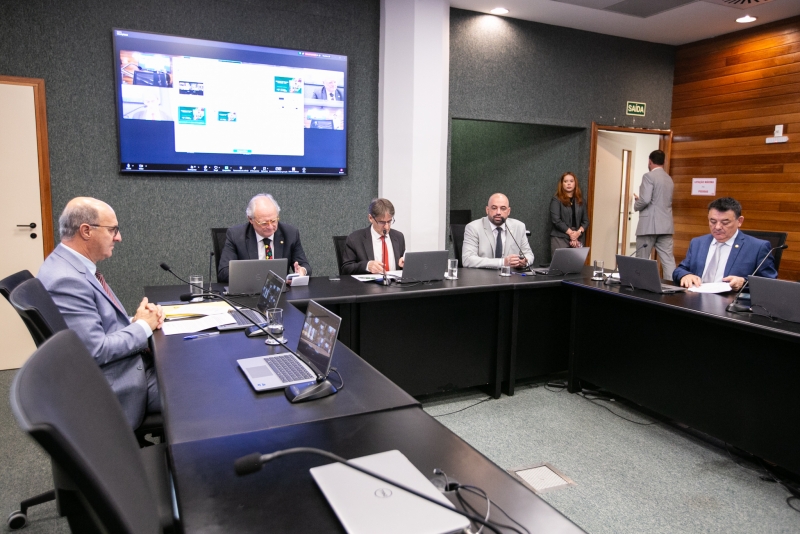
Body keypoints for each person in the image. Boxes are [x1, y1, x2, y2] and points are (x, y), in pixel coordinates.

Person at [37, 197, 164, 429]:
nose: (118, 237)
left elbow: (98, 325)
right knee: (200, 387)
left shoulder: (68, 265)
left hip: (121, 367)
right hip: (119, 386)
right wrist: (143, 327)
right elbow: (95, 350)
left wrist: (136, 321)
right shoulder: (66, 280)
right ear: (86, 231)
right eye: (112, 230)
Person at [673, 197, 777, 291]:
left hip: (730, 302)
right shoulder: (698, 243)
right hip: (695, 298)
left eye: (725, 222)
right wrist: (685, 275)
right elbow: (680, 269)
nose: (717, 227)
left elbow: (769, 283)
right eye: (713, 221)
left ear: (739, 221)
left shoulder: (757, 247)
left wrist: (744, 282)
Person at [217, 193, 312, 283]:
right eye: (264, 223)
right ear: (250, 219)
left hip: (281, 291)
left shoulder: (290, 233)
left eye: (273, 221)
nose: (270, 227)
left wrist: (302, 271)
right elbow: (223, 272)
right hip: (249, 291)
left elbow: (305, 266)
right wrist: (258, 277)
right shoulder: (236, 235)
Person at [633, 149, 676, 280]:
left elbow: (645, 200)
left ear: (650, 161)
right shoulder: (669, 179)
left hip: (648, 225)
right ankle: (673, 287)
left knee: (641, 260)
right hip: (666, 226)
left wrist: (636, 204)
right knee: (668, 261)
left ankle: (639, 286)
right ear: (664, 162)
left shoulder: (648, 176)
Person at [462, 193, 534, 269]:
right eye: (494, 208)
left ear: (508, 211)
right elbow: (467, 260)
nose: (498, 212)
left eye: (503, 208)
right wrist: (502, 262)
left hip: (511, 275)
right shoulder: (473, 227)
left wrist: (524, 262)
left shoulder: (519, 227)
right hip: (482, 275)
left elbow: (529, 255)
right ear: (487, 210)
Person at [341, 198, 405, 275]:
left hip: (395, 282)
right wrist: (367, 266)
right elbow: (346, 269)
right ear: (371, 218)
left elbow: (402, 268)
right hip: (369, 283)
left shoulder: (399, 237)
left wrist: (406, 264)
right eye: (382, 222)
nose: (387, 227)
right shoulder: (355, 239)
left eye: (389, 221)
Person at [549, 172, 589, 255]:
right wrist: (571, 234)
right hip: (560, 238)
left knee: (577, 263)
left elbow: (586, 221)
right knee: (561, 263)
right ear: (562, 184)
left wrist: (577, 233)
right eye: (565, 181)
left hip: (578, 238)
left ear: (575, 183)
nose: (568, 184)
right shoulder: (556, 200)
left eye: (571, 181)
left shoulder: (581, 200)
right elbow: (556, 220)